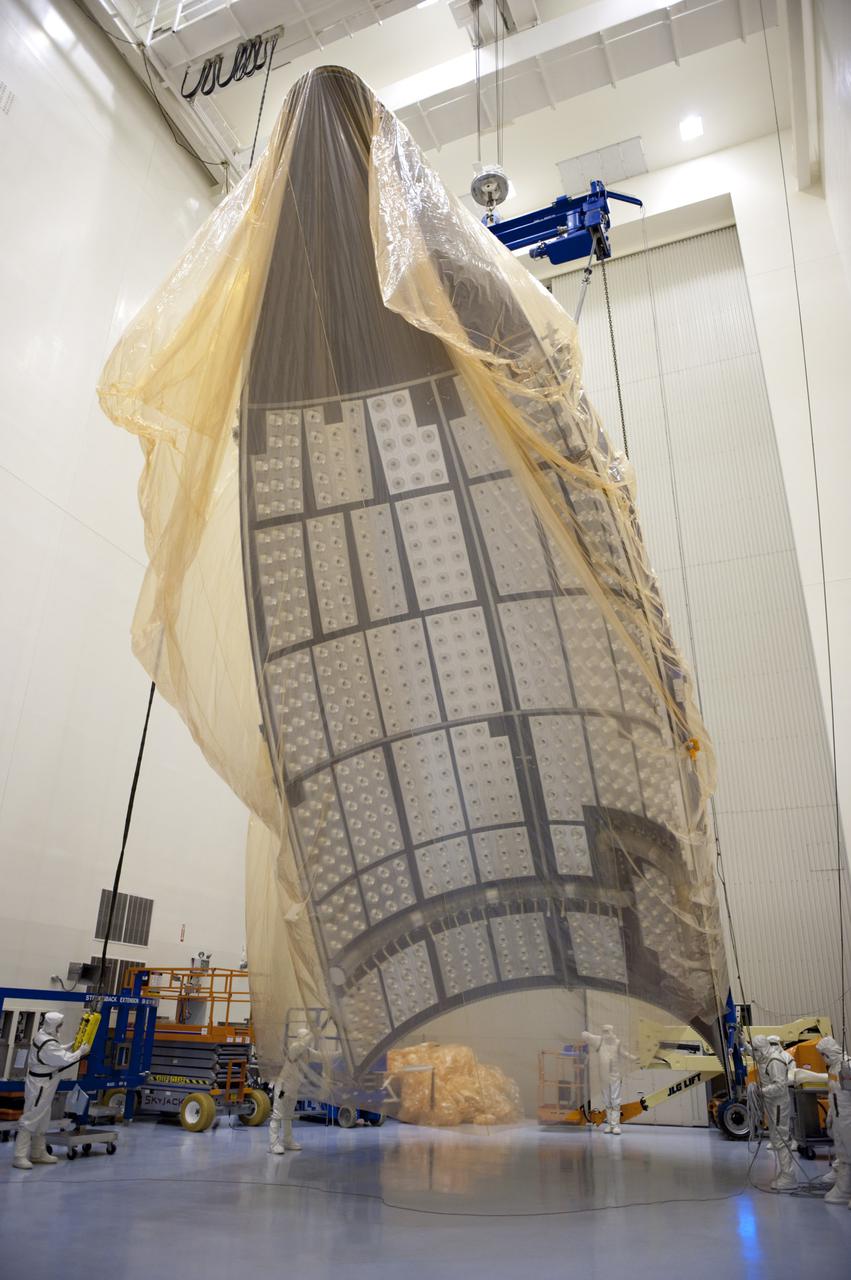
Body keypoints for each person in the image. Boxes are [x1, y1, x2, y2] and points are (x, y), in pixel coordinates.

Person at [13, 1012, 91, 1170]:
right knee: (31, 1118)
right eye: (59, 1024)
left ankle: (37, 1153)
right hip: (40, 1085)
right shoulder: (46, 1042)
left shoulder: (43, 1035)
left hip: (45, 1082)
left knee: (42, 1119)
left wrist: (69, 1046)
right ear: (53, 1025)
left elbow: (56, 1050)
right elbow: (64, 1059)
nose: (60, 1027)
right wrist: (80, 1052)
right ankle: (19, 1156)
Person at [750, 1034, 797, 1190]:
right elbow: (752, 1052)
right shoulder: (764, 1057)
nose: (754, 1054)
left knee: (781, 1139)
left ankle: (788, 1177)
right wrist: (742, 1041)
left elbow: (780, 1086)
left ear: (762, 1048)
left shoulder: (774, 1061)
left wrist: (761, 1091)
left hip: (778, 1104)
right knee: (776, 1138)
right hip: (771, 1104)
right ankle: (785, 1174)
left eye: (756, 1050)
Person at [269, 1027, 319, 1155]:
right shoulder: (295, 1048)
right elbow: (303, 1044)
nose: (309, 1040)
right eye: (306, 1037)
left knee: (288, 1116)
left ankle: (287, 1140)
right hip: (283, 1089)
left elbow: (323, 1056)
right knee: (277, 1115)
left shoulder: (307, 1052)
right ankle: (273, 1143)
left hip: (293, 1090)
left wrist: (341, 1053)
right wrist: (316, 1030)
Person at [581, 1025, 638, 1135]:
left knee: (615, 1100)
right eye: (604, 1031)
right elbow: (586, 1036)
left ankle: (615, 1125)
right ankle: (610, 1125)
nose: (606, 1033)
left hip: (615, 1076)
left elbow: (623, 1053)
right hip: (604, 1076)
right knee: (607, 1101)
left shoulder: (617, 1043)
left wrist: (633, 1058)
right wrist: (587, 1035)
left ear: (612, 1031)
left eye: (608, 1031)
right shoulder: (600, 1041)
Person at [816, 1036, 851, 1207]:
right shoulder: (833, 1068)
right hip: (839, 1116)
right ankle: (844, 1189)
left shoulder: (847, 1065)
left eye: (823, 1054)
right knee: (843, 1153)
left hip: (848, 1117)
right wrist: (830, 1115)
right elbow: (833, 1095)